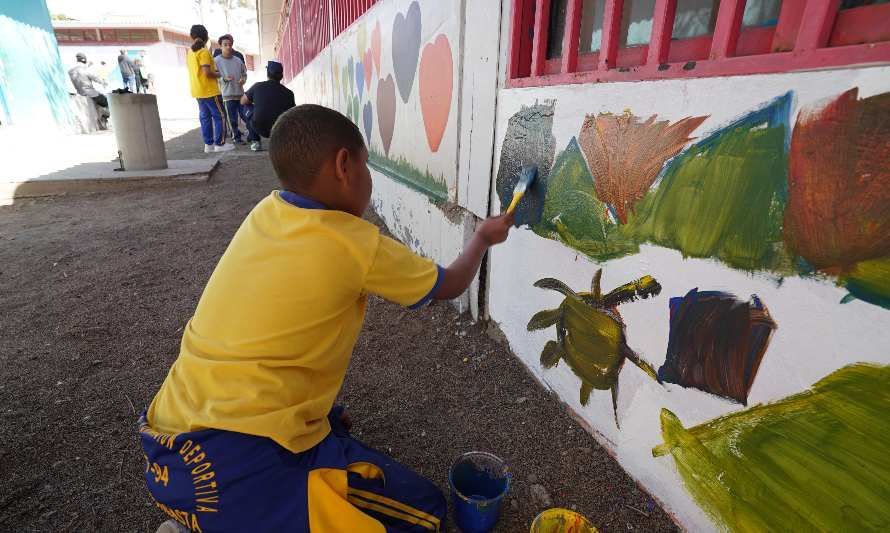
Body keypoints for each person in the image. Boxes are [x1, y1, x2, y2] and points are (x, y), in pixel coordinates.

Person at [139, 104, 514, 532]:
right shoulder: (354, 243)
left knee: (333, 435)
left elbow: (276, 327)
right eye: (366, 166)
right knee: (424, 512)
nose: (369, 179)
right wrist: (482, 237)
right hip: (232, 471)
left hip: (167, 446)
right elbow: (448, 285)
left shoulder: (266, 213)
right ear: (343, 165)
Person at [187, 24, 233, 153]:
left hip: (197, 90)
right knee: (221, 116)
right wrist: (219, 74)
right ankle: (220, 144)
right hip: (209, 90)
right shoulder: (203, 52)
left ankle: (208, 145)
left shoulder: (190, 52)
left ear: (192, 36)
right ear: (206, 37)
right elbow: (207, 72)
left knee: (205, 117)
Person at [240, 60, 294, 152]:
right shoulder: (289, 93)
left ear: (267, 74)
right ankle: (283, 142)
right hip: (280, 130)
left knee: (246, 106)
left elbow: (242, 101)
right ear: (281, 76)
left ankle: (255, 141)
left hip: (260, 127)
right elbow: (292, 113)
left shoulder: (257, 86)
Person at [213, 35, 251, 145]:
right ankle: (236, 138)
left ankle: (251, 134)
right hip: (226, 95)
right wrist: (223, 78)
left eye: (230, 44)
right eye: (225, 45)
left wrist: (243, 80)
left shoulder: (238, 60)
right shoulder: (216, 61)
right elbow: (213, 75)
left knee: (247, 115)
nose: (228, 47)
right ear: (220, 46)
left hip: (240, 94)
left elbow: (244, 74)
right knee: (232, 119)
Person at [68, 52, 109, 129]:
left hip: (80, 93)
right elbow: (95, 78)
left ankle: (99, 117)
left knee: (98, 101)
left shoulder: (71, 71)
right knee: (107, 102)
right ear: (84, 60)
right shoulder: (84, 69)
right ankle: (104, 118)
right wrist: (103, 82)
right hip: (90, 93)